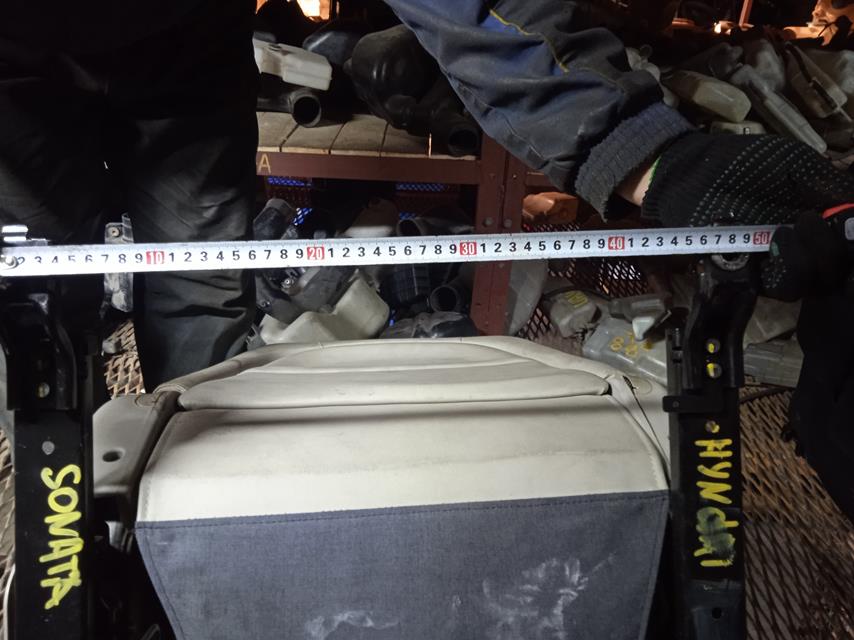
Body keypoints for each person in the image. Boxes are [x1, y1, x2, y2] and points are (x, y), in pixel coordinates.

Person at [2, 2, 853, 511]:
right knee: (39, 321)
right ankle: (63, 541)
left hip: (181, 43)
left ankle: (193, 522)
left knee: (200, 281)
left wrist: (642, 151)